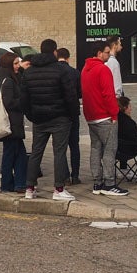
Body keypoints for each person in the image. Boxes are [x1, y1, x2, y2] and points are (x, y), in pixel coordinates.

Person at [21, 39, 80, 200]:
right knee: (59, 153)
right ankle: (59, 189)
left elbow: (24, 99)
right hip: (60, 117)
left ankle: (29, 188)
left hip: (39, 118)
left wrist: (31, 115)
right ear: (54, 52)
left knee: (36, 153)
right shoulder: (61, 71)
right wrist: (73, 115)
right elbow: (70, 96)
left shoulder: (29, 72)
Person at [81, 41, 126, 196]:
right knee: (109, 150)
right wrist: (114, 114)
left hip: (91, 117)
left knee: (95, 149)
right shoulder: (103, 69)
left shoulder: (85, 69)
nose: (109, 54)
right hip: (105, 117)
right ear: (99, 53)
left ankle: (97, 182)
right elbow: (108, 94)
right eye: (107, 52)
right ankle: (109, 184)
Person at [0, 51, 30, 194]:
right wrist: (22, 102)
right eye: (15, 63)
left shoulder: (14, 77)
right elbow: (8, 102)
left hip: (14, 123)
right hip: (11, 123)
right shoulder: (8, 80)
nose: (18, 65)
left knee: (19, 154)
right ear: (9, 65)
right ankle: (8, 184)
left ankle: (18, 183)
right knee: (11, 154)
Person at [54, 46, 82, 185]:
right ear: (68, 58)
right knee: (74, 145)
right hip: (73, 113)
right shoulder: (74, 72)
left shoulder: (54, 71)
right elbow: (80, 93)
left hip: (59, 113)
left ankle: (64, 175)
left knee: (61, 146)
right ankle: (75, 175)